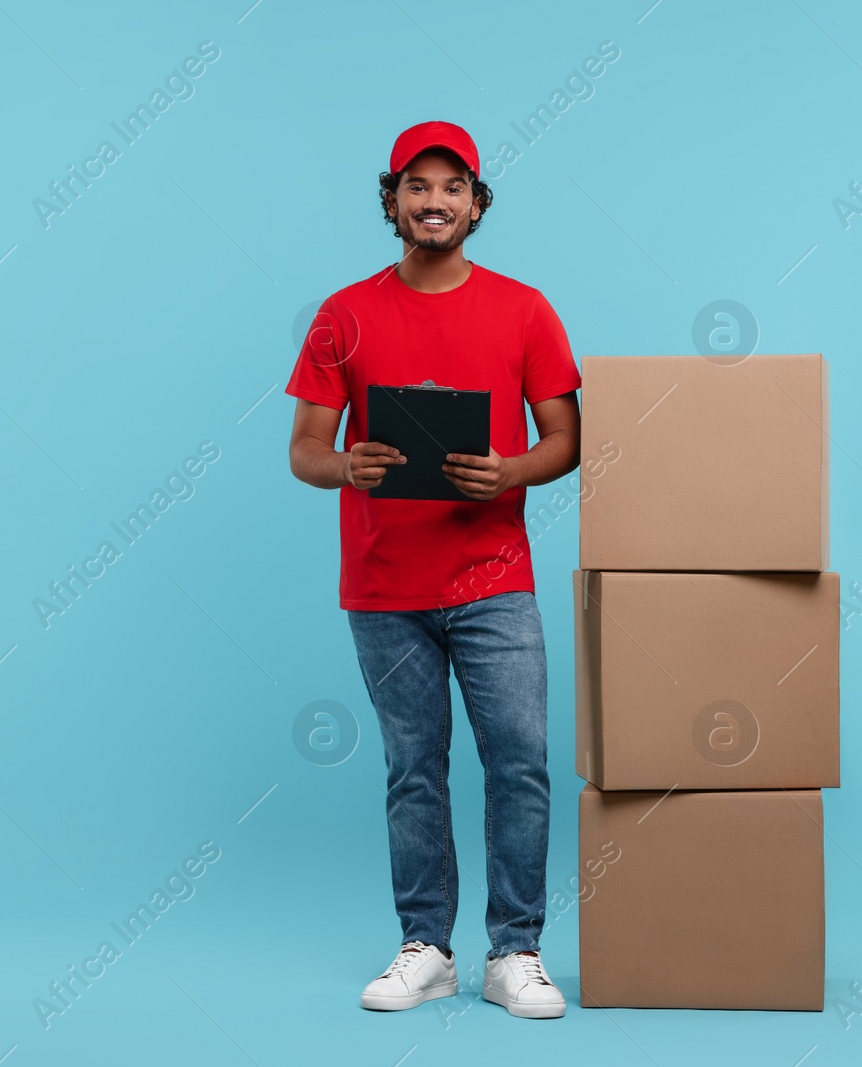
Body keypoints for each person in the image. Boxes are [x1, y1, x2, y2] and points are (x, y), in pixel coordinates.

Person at [284, 120, 582, 1019]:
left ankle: (515, 951)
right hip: (385, 587)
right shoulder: (345, 312)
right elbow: (303, 448)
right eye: (418, 185)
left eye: (453, 186)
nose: (435, 200)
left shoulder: (523, 308)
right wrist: (348, 465)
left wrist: (512, 469)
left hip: (493, 576)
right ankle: (428, 946)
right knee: (413, 767)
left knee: (520, 762)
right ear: (392, 201)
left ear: (477, 205)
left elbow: (566, 437)